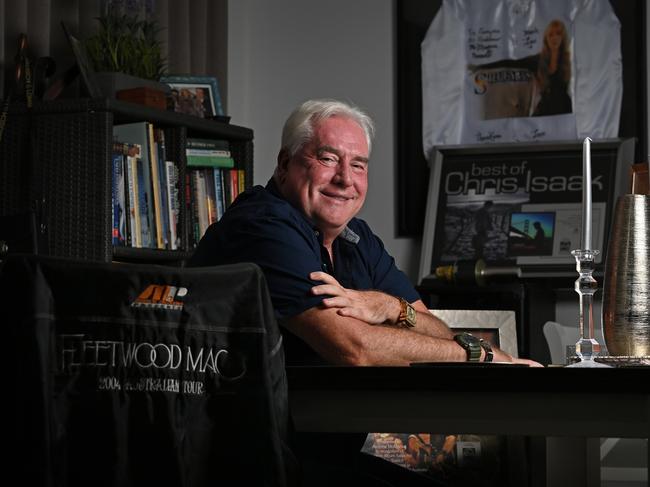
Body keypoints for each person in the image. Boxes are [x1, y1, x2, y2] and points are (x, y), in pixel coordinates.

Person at [189, 99, 541, 486]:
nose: (345, 178)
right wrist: (482, 355)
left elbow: (433, 326)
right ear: (284, 163)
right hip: (246, 461)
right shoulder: (264, 227)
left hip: (314, 452)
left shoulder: (357, 239)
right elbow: (355, 349)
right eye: (327, 158)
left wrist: (388, 305)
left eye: (358, 164)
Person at [468, 19, 572, 117]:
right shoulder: (538, 60)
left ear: (563, 37)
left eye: (558, 34)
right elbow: (511, 62)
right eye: (551, 35)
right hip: (545, 109)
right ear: (546, 39)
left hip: (564, 108)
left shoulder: (569, 59)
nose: (554, 38)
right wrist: (479, 65)